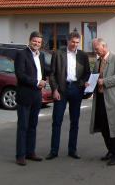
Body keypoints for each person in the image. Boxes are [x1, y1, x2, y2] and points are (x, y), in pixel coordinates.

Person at [46, 32, 91, 160]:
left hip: (76, 89)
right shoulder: (58, 53)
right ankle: (54, 150)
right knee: (57, 121)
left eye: (77, 42)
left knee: (74, 121)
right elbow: (52, 74)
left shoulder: (82, 55)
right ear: (68, 41)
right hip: (61, 89)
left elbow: (87, 72)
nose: (74, 45)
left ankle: (72, 150)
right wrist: (54, 89)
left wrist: (81, 84)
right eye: (73, 42)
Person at [90, 38, 115, 166]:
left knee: (114, 126)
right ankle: (110, 151)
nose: (96, 52)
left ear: (104, 46)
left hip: (113, 99)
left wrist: (104, 81)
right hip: (100, 98)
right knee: (104, 127)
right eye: (94, 49)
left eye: (97, 49)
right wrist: (90, 83)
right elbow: (95, 76)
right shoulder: (98, 61)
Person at [15, 31, 48, 166]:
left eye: (39, 42)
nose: (36, 44)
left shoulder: (41, 56)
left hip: (37, 94)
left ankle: (30, 152)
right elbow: (20, 75)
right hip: (25, 94)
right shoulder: (21, 54)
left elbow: (44, 71)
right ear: (30, 41)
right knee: (23, 126)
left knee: (33, 125)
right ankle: (20, 155)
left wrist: (44, 81)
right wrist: (36, 82)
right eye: (34, 41)